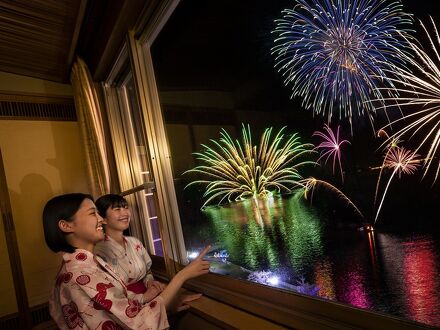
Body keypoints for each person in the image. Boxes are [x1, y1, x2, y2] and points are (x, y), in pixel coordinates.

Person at [43, 193, 210, 330]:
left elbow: (118, 304)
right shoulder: (80, 273)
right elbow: (136, 321)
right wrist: (182, 276)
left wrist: (153, 296)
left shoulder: (87, 264)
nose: (101, 219)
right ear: (66, 225)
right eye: (93, 213)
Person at [94, 194, 163, 302]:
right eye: (117, 209)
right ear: (103, 219)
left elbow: (147, 271)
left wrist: (149, 282)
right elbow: (110, 292)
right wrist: (142, 298)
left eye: (126, 207)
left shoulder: (135, 242)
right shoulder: (99, 250)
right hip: (124, 306)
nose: (125, 213)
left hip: (149, 296)